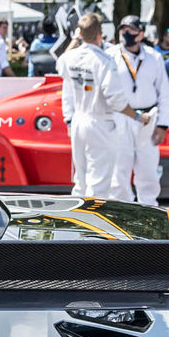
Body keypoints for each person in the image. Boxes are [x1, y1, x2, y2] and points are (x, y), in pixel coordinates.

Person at [56, 13, 130, 198]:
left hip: (78, 120)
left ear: (79, 33)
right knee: (99, 182)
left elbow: (60, 64)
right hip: (99, 122)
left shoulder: (70, 57)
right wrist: (137, 116)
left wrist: (75, 39)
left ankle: (76, 221)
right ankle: (92, 224)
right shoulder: (104, 61)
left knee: (80, 180)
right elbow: (116, 99)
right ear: (100, 34)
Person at [107, 14, 169, 206]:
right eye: (123, 29)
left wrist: (162, 125)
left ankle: (149, 209)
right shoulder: (110, 55)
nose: (125, 33)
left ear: (140, 34)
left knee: (148, 170)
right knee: (119, 170)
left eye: (130, 30)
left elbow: (165, 93)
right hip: (120, 117)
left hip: (148, 118)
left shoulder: (154, 57)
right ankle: (121, 213)